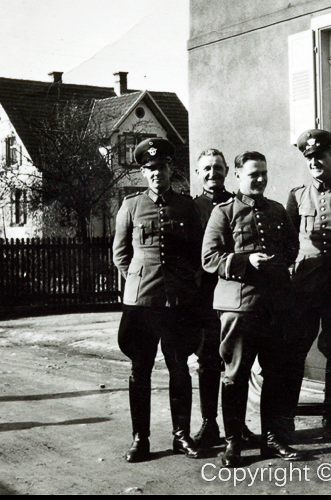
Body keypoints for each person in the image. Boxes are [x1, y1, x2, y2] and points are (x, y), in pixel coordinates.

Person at [202, 151, 301, 467]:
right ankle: (233, 444)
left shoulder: (276, 211)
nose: (259, 179)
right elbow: (210, 258)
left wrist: (277, 265)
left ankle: (272, 440)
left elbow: (291, 247)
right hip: (240, 307)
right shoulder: (224, 212)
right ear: (237, 176)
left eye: (263, 173)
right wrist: (245, 261)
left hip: (276, 307)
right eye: (253, 174)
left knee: (276, 374)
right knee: (236, 374)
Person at [112, 137, 204, 463]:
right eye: (149, 169)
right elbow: (121, 255)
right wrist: (139, 282)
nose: (156, 174)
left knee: (180, 368)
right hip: (142, 303)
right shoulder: (131, 207)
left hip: (178, 301)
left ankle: (181, 436)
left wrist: (184, 284)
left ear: (170, 169)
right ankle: (141, 439)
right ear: (142, 172)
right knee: (141, 370)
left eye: (161, 167)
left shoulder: (186, 206)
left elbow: (197, 252)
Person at [285, 130, 331, 435]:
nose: (315, 162)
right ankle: (287, 416)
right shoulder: (297, 196)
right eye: (309, 157)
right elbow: (287, 243)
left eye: (320, 156)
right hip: (305, 286)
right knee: (296, 350)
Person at [191, 149, 260, 449]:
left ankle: (238, 425)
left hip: (235, 296)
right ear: (197, 173)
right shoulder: (190, 208)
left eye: (217, 168)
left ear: (226, 172)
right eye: (206, 169)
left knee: (237, 362)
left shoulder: (237, 204)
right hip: (204, 296)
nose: (212, 174)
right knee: (208, 361)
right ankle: (209, 423)